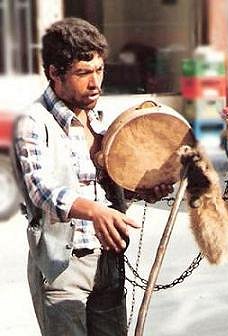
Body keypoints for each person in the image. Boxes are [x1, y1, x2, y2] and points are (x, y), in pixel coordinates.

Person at [11, 18, 172, 336]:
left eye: (99, 70)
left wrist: (141, 190)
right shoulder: (33, 122)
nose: (95, 82)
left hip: (109, 266)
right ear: (54, 73)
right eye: (83, 73)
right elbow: (40, 191)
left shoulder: (101, 121)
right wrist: (94, 211)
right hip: (63, 271)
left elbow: (105, 188)